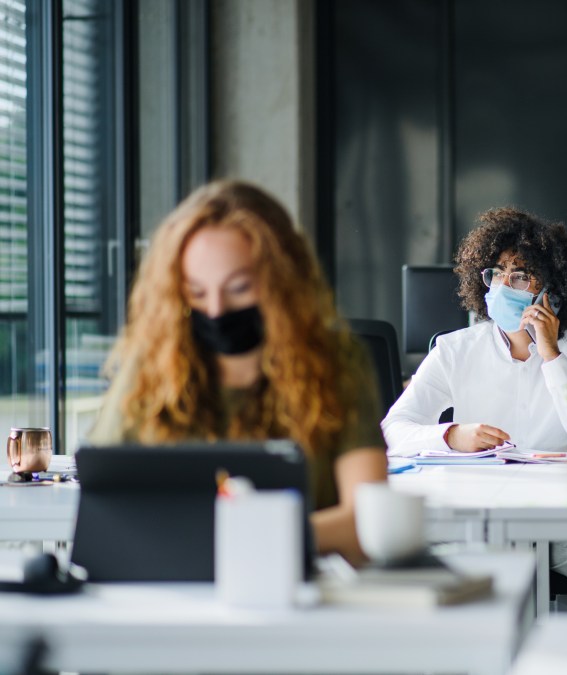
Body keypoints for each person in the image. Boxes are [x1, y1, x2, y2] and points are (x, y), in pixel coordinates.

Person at [89, 180, 388, 566]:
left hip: (298, 593)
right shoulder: (150, 370)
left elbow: (367, 520)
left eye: (239, 288)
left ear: (282, 282)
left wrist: (253, 540)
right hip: (169, 592)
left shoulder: (336, 363)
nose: (216, 310)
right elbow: (105, 499)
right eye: (196, 293)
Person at [382, 206, 567, 614]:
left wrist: (551, 353)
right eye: (497, 273)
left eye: (520, 275)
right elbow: (392, 429)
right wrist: (451, 435)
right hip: (478, 521)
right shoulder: (456, 348)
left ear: (551, 287)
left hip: (562, 523)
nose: (504, 285)